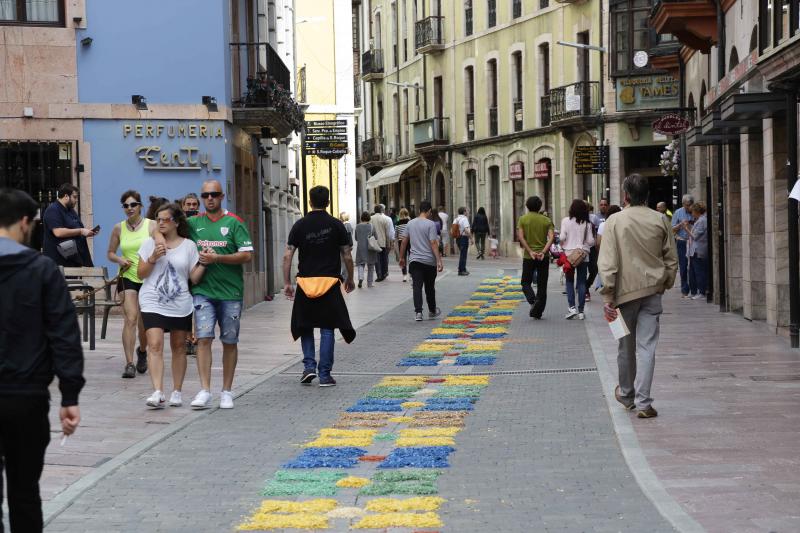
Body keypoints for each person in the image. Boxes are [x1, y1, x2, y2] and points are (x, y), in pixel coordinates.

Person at [0, 188, 84, 531]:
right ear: (23, 223)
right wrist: (70, 395)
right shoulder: (43, 270)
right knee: (24, 491)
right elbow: (64, 335)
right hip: (26, 397)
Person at [599, 174, 678, 419]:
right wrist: (664, 282)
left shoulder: (614, 221)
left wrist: (608, 295)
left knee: (625, 346)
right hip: (652, 292)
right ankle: (644, 402)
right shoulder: (660, 219)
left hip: (623, 295)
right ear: (647, 196)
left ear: (625, 196)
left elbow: (608, 262)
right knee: (647, 347)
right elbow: (671, 259)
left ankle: (627, 393)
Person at [187, 180, 254, 409]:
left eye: (214, 194)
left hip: (230, 292)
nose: (209, 199)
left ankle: (226, 391)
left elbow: (246, 255)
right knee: (203, 338)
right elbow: (165, 229)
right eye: (205, 195)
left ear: (222, 196)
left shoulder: (234, 223)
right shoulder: (193, 223)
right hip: (203, 291)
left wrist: (218, 258)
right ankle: (205, 390)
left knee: (229, 341)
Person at [284, 186, 355, 387]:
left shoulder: (299, 225)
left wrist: (287, 282)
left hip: (306, 283)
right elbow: (347, 254)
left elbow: (287, 255)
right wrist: (349, 277)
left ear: (309, 201)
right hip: (330, 283)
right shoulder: (337, 225)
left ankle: (308, 367)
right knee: (327, 328)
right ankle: (324, 375)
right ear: (328, 202)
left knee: (305, 326)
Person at [137, 203, 206, 409]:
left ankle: (177, 391)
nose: (160, 223)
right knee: (155, 344)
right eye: (157, 220)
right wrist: (152, 258)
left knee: (178, 347)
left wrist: (204, 263)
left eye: (164, 219)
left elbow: (193, 277)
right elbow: (141, 273)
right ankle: (157, 391)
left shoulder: (189, 246)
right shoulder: (150, 243)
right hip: (151, 300)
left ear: (176, 222)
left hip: (180, 303)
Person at [106, 190, 154, 379]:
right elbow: (110, 252)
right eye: (126, 205)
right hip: (127, 277)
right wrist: (119, 259)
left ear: (140, 206)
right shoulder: (119, 228)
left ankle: (142, 351)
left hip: (148, 277)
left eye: (133, 204)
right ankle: (129, 364)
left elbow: (160, 246)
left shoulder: (151, 226)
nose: (129, 208)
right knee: (131, 318)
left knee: (144, 324)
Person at [399, 200, 443, 321]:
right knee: (430, 287)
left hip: (415, 261)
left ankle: (418, 313)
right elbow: (433, 243)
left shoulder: (410, 223)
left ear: (419, 210)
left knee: (417, 286)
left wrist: (402, 257)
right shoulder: (430, 224)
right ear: (429, 211)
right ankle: (432, 311)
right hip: (429, 261)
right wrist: (439, 260)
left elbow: (403, 241)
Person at [517, 196, 555, 319]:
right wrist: (543, 251)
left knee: (525, 282)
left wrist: (530, 251)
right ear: (540, 206)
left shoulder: (522, 219)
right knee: (542, 284)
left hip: (529, 257)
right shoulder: (546, 220)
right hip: (543, 257)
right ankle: (538, 311)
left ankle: (533, 301)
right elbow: (551, 237)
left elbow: (521, 237)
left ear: (527, 206)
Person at [42, 183, 97, 267]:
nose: (76, 200)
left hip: (72, 259)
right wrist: (81, 231)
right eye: (74, 197)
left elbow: (77, 229)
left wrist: (88, 232)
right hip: (59, 263)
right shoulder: (53, 210)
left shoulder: (70, 211)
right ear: (66, 196)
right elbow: (58, 232)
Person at [560, 199, 595, 320]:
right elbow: (591, 241)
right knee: (581, 283)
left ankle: (572, 308)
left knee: (569, 282)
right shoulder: (587, 223)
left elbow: (562, 237)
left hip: (569, 257)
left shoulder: (565, 221)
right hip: (582, 256)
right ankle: (581, 311)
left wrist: (565, 242)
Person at [671, 195, 694, 299]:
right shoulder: (678, 212)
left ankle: (694, 290)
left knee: (694, 266)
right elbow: (672, 229)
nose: (689, 207)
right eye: (687, 205)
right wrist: (680, 224)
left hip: (693, 242)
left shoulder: (695, 211)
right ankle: (684, 290)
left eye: (690, 205)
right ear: (684, 204)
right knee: (683, 266)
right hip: (682, 242)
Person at [685, 202, 708, 300]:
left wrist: (686, 228)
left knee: (699, 271)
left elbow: (695, 236)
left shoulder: (702, 221)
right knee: (693, 271)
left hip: (698, 250)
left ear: (697, 211)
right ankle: (695, 291)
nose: (692, 214)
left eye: (693, 212)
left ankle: (701, 292)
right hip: (693, 250)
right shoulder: (699, 220)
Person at [354, 211, 378, 288]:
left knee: (361, 264)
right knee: (371, 266)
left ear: (361, 218)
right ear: (369, 218)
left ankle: (361, 278)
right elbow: (376, 237)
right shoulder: (372, 226)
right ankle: (369, 283)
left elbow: (356, 238)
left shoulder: (357, 226)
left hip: (361, 248)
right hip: (370, 248)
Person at [370, 205, 392, 282]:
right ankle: (384, 272)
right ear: (381, 210)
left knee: (377, 259)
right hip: (383, 241)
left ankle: (379, 275)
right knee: (384, 258)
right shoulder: (385, 218)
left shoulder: (371, 219)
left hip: (375, 242)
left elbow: (370, 231)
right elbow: (387, 232)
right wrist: (388, 243)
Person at [453, 206, 472, 276]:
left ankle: (462, 268)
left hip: (458, 238)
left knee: (462, 254)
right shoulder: (464, 219)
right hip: (463, 238)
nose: (467, 212)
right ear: (464, 212)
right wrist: (471, 238)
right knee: (463, 255)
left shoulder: (456, 219)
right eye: (466, 211)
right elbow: (466, 230)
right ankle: (461, 270)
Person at [395, 208, 411, 282]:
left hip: (401, 241)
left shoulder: (397, 223)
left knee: (402, 258)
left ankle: (404, 276)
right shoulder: (410, 222)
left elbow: (396, 235)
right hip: (409, 241)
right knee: (411, 257)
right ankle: (411, 274)